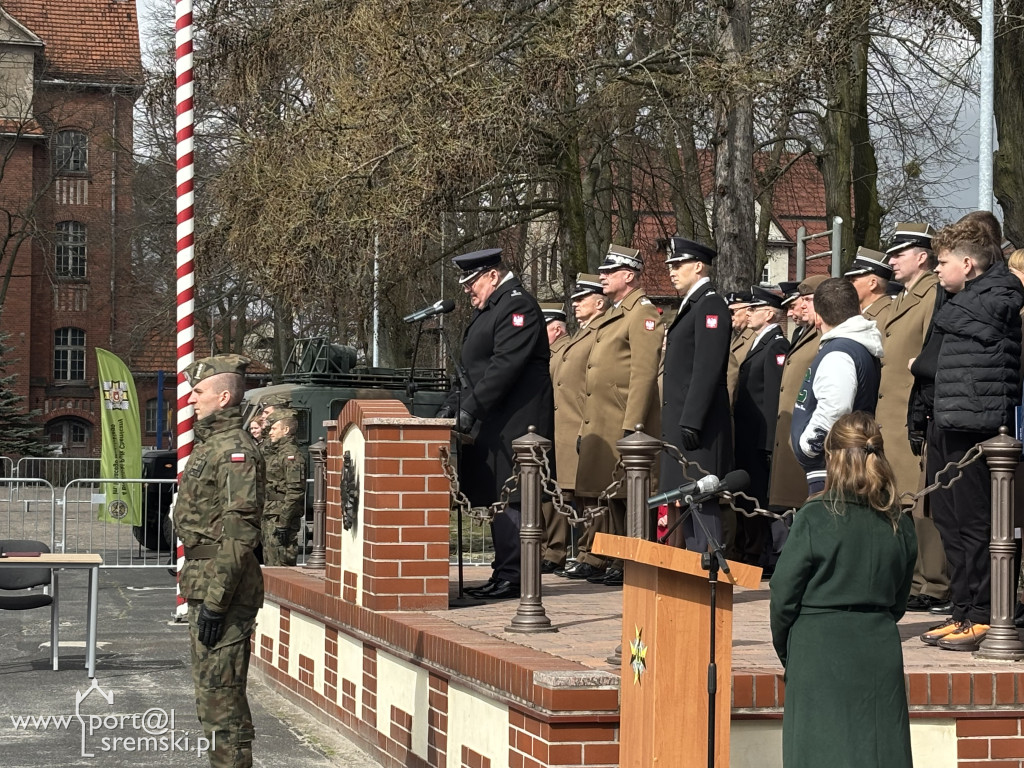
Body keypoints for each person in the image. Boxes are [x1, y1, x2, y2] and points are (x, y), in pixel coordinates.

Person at [770, 412, 917, 768]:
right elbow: (899, 600)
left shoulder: (814, 516)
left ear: (832, 457)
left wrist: (792, 653)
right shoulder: (898, 520)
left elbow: (783, 597)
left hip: (817, 651)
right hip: (879, 648)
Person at [913, 219, 1024, 650]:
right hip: (947, 420)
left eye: (943, 263)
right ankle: (962, 610)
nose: (937, 271)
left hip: (975, 426)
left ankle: (982, 613)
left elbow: (933, 359)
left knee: (977, 525)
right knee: (949, 522)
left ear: (967, 264)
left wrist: (922, 362)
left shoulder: (996, 296)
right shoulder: (960, 299)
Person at [437, 248, 554, 601]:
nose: (467, 289)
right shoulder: (492, 308)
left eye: (472, 281)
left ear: (492, 275)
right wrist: (452, 406)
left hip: (517, 424)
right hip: (494, 421)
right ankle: (504, 571)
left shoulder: (517, 306)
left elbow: (504, 366)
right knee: (497, 499)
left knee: (512, 498)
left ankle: (516, 577)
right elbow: (472, 372)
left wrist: (471, 409)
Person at [176, 354, 265, 768]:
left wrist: (216, 600)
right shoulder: (212, 445)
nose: (191, 399)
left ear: (224, 397)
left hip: (223, 590)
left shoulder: (234, 450)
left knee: (222, 702)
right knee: (210, 697)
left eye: (199, 392)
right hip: (206, 582)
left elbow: (239, 532)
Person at [573, 246, 663, 585]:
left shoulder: (642, 312)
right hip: (604, 419)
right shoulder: (617, 313)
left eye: (609, 272)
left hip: (624, 420)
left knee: (631, 495)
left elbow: (643, 372)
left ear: (629, 275)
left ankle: (633, 561)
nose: (602, 276)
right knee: (611, 495)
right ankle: (616, 557)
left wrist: (634, 426)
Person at [876, 222, 949, 614]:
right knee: (902, 502)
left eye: (898, 254)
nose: (891, 261)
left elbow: (927, 358)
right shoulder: (901, 298)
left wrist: (920, 415)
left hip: (912, 413)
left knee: (922, 503)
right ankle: (914, 580)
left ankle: (934, 583)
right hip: (889, 416)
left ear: (922, 256)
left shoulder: (932, 295)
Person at [659, 236, 732, 552]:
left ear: (698, 266)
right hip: (684, 420)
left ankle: (708, 567)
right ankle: (694, 567)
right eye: (670, 265)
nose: (672, 271)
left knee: (701, 500)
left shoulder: (710, 304)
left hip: (698, 425)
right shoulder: (693, 304)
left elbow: (707, 366)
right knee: (687, 498)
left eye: (678, 264)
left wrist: (692, 420)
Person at [791, 278, 883, 495]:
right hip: (840, 462)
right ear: (857, 309)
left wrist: (808, 448)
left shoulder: (839, 353)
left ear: (818, 318)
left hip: (832, 465)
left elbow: (835, 409)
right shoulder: (849, 346)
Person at [550, 275, 607, 575]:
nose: (575, 304)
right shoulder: (582, 335)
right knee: (582, 497)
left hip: (586, 426)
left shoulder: (600, 333)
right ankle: (585, 553)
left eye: (581, 299)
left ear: (599, 302)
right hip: (570, 428)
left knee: (593, 496)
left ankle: (594, 555)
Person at [732, 286, 789, 564]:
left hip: (759, 436)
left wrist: (768, 442)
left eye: (754, 309)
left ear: (769, 314)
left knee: (759, 495)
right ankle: (751, 549)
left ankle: (765, 553)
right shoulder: (758, 342)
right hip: (747, 433)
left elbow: (773, 397)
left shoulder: (776, 344)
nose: (749, 313)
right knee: (748, 494)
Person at [768, 275, 828, 510]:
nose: (800, 307)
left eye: (807, 300)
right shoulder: (803, 333)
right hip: (794, 430)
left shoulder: (824, 335)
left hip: (809, 431)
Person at [541, 300, 572, 572]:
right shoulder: (548, 353)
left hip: (561, 430)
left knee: (556, 493)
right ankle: (546, 549)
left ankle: (555, 550)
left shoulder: (564, 351)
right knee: (544, 491)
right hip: (546, 429)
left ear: (557, 329)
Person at [260, 408, 307, 566]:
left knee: (281, 563)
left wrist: (284, 521)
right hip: (270, 513)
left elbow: (295, 491)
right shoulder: (275, 452)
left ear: (285, 430)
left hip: (281, 516)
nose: (270, 432)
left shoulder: (291, 456)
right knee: (270, 561)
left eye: (274, 428)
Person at [844, 247, 893, 325]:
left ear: (873, 283)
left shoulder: (887, 316)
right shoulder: (869, 312)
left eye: (853, 281)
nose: (849, 284)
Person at [726, 291, 757, 406]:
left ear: (748, 310)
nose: (731, 317)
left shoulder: (754, 338)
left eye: (733, 312)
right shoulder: (737, 336)